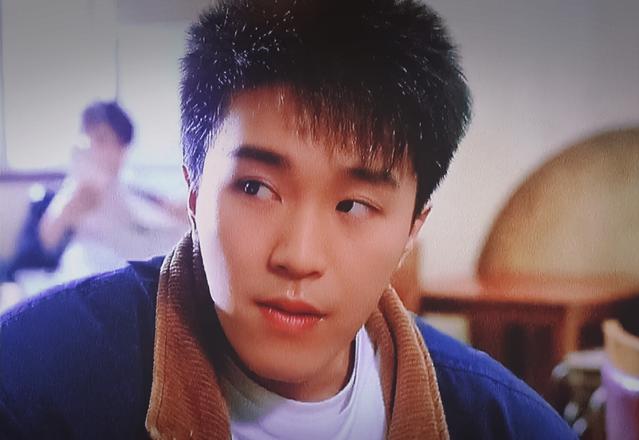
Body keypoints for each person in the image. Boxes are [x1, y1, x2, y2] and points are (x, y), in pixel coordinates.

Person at [0, 0, 576, 438]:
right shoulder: (33, 383)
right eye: (256, 188)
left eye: (353, 205)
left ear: (411, 230)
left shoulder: (501, 422)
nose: (299, 257)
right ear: (194, 192)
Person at [4, 101, 186, 293]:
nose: (95, 148)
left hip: (126, 262)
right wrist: (67, 211)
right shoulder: (70, 191)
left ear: (123, 148)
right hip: (86, 266)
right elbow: (43, 243)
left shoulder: (133, 192)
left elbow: (158, 221)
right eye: (92, 139)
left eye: (104, 140)